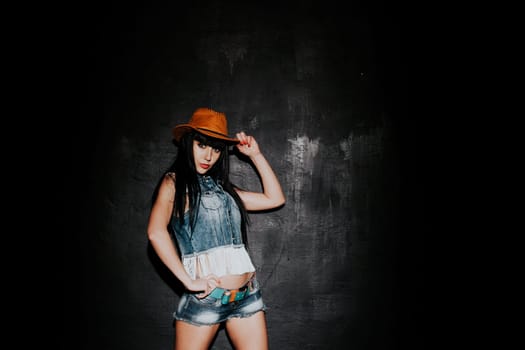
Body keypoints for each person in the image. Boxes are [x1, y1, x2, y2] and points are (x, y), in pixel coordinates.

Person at [147, 107, 285, 350]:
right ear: (188, 143)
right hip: (206, 300)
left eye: (217, 148)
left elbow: (274, 199)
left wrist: (256, 155)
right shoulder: (175, 184)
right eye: (202, 145)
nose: (209, 155)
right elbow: (156, 233)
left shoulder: (225, 190)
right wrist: (188, 282)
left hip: (248, 297)